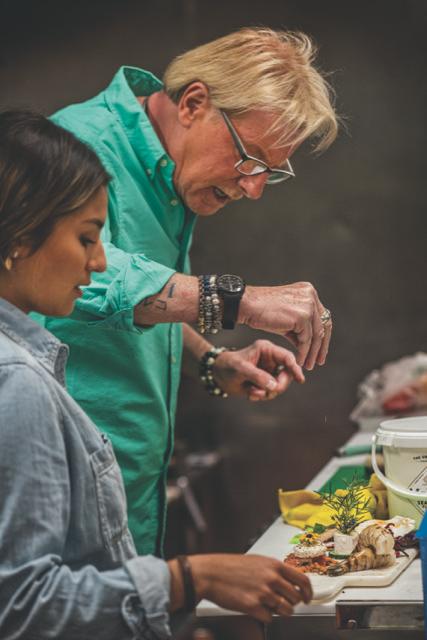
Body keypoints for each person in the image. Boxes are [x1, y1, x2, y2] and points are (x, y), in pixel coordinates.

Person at [0, 109, 313, 639]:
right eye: (86, 238)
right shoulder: (18, 382)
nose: (99, 262)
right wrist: (190, 578)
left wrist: (210, 359)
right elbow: (23, 607)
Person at [39, 27, 338, 555]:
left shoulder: (172, 176)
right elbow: (78, 280)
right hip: (56, 498)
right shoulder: (74, 142)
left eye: (271, 172)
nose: (253, 188)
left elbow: (139, 302)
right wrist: (236, 299)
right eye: (250, 158)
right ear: (194, 103)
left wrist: (209, 360)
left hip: (127, 493)